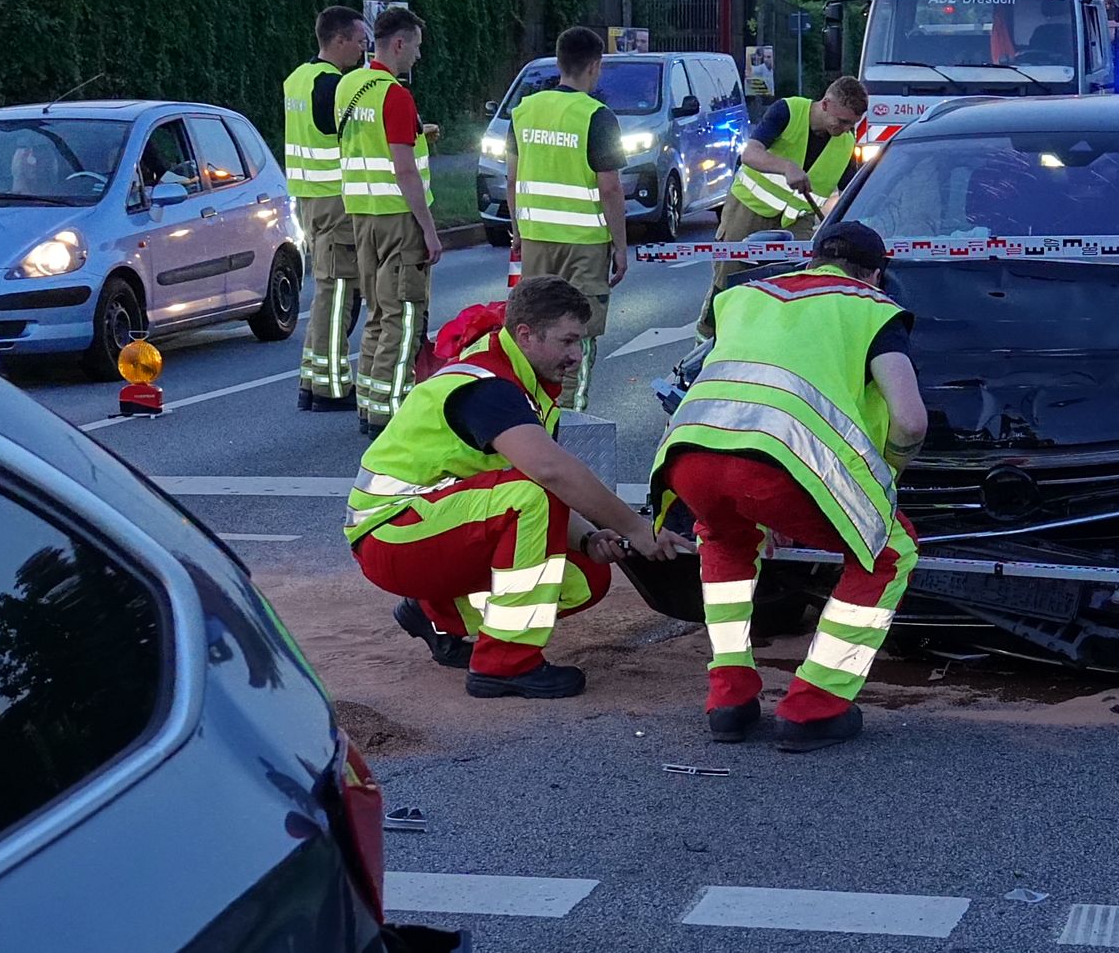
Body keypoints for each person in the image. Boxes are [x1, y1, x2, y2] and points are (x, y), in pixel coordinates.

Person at [345, 276, 692, 699]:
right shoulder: (488, 387)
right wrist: (638, 529)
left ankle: (438, 613)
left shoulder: (519, 383)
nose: (576, 356)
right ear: (525, 334)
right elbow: (549, 474)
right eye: (567, 342)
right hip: (392, 535)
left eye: (579, 342)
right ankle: (504, 665)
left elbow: (521, 488)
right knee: (532, 496)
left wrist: (588, 540)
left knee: (586, 578)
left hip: (428, 528)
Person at [652, 222, 929, 752]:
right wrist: (886, 478)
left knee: (727, 545)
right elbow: (911, 422)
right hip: (783, 465)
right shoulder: (872, 307)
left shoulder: (745, 296)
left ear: (811, 260)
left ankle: (729, 697)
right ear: (876, 273)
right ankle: (815, 704)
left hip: (691, 454)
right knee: (889, 552)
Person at [507, 26, 627, 412]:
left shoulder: (524, 111)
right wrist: (621, 247)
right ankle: (572, 423)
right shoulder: (597, 116)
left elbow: (511, 176)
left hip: (537, 240)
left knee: (536, 333)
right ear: (595, 66)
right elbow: (609, 188)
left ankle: (532, 417)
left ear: (559, 63)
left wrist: (519, 231)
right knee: (579, 336)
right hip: (585, 245)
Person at [694, 76, 869, 339]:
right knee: (729, 278)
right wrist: (786, 166)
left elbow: (849, 190)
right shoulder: (788, 111)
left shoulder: (845, 143)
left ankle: (773, 343)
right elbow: (750, 153)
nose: (845, 128)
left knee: (795, 284)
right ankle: (706, 341)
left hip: (796, 222)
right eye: (842, 121)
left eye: (851, 124)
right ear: (825, 104)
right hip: (749, 208)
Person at [337, 6, 441, 437]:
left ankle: (370, 401)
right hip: (399, 219)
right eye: (415, 46)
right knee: (404, 315)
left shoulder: (349, 86)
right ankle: (393, 410)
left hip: (362, 215)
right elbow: (403, 169)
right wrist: (430, 229)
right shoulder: (395, 95)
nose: (417, 55)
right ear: (399, 43)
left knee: (379, 312)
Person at [285, 5, 370, 413]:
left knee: (326, 291)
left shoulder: (297, 79)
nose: (362, 49)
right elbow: (354, 140)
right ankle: (332, 386)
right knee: (338, 293)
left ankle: (312, 379)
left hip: (307, 197)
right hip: (336, 199)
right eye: (358, 41)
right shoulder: (333, 86)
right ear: (338, 40)